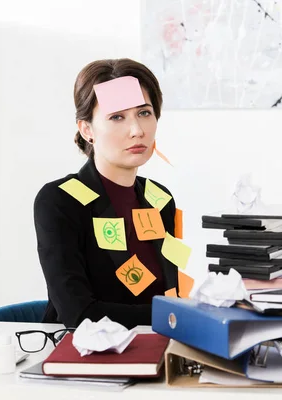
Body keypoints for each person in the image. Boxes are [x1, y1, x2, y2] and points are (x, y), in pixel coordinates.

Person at [33, 58, 179, 329]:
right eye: (117, 117)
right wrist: (176, 317)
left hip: (160, 350)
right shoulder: (59, 200)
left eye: (144, 113)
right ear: (86, 129)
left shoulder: (160, 199)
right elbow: (78, 314)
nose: (137, 130)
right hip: (87, 356)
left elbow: (170, 295)